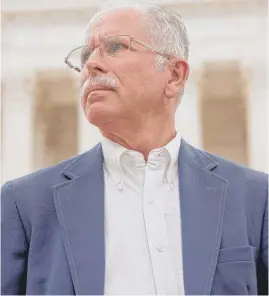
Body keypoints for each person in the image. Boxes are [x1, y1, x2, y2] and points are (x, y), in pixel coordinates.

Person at [1, 1, 268, 295]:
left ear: (175, 75)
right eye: (86, 54)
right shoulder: (24, 204)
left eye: (115, 47)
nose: (91, 64)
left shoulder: (255, 198)